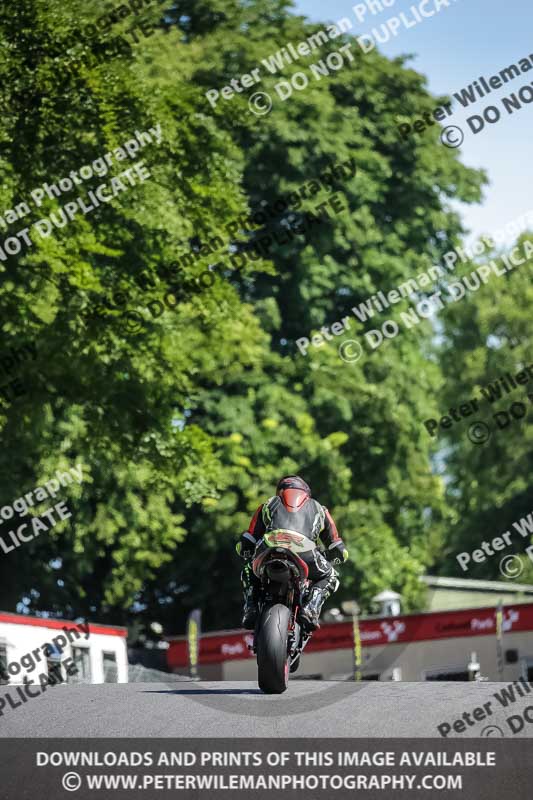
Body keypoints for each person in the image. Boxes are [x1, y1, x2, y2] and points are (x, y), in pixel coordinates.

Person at [236, 476, 349, 630]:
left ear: (280, 491)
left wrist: (243, 550)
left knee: (248, 569)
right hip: (304, 550)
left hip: (269, 547)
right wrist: (338, 556)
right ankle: (310, 609)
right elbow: (336, 545)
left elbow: (249, 538)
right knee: (331, 576)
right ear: (306, 492)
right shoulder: (320, 509)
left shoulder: (268, 503)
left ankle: (250, 607)